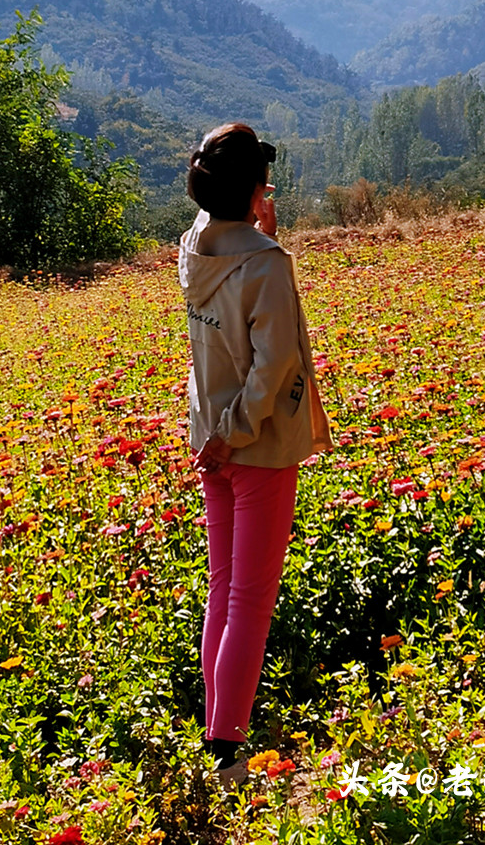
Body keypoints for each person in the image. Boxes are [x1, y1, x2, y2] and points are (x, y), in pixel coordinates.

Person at [178, 122, 331, 782]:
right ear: (253, 192)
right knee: (248, 601)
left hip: (209, 442)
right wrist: (238, 431)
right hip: (256, 445)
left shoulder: (193, 249)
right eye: (264, 183)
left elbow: (216, 225)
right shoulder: (264, 264)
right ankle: (227, 753)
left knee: (221, 591)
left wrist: (251, 216)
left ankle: (216, 732)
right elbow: (272, 369)